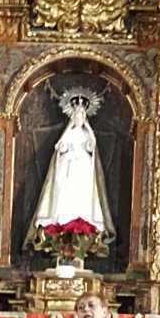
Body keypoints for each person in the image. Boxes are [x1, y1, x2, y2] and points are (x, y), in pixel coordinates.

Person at [25, 88, 115, 243]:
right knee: (64, 197)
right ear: (72, 116)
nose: (79, 118)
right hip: (67, 169)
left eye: (82, 115)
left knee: (82, 198)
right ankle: (60, 227)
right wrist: (68, 130)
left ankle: (83, 229)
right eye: (77, 115)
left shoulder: (87, 134)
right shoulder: (70, 134)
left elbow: (92, 146)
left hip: (83, 170)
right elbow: (59, 147)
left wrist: (88, 128)